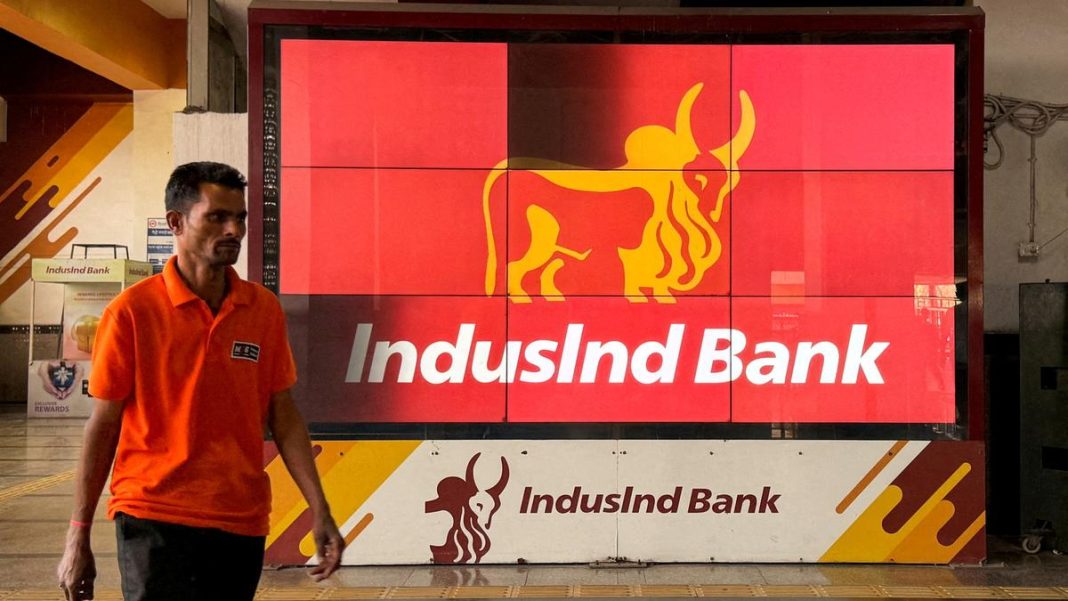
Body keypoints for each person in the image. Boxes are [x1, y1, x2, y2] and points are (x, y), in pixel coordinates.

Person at [56, 162, 344, 601]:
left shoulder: (262, 310)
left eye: (240, 218)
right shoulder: (131, 312)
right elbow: (104, 424)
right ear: (176, 222)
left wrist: (318, 506)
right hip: (152, 514)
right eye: (217, 217)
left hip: (240, 519)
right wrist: (78, 533)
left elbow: (283, 415)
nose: (234, 230)